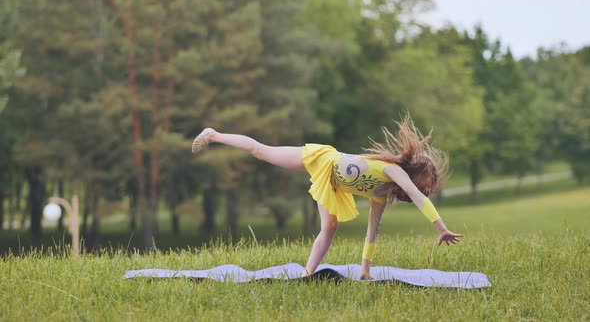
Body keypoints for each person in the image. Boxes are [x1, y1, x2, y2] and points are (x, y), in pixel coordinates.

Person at [192, 115, 463, 280]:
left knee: (330, 227)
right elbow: (418, 197)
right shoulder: (393, 170)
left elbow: (372, 233)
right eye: (424, 185)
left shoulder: (380, 196)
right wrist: (441, 228)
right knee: (262, 151)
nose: (423, 191)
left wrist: (365, 268)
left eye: (427, 189)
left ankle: (307, 272)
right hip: (323, 158)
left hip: (332, 183)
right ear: (413, 174)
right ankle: (214, 134)